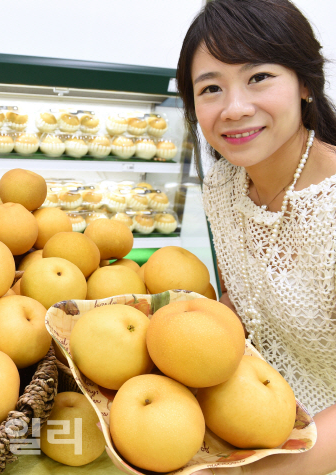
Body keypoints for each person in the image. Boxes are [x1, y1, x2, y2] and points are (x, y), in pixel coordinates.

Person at [175, 0, 336, 473]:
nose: (235, 108)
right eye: (210, 89)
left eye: (259, 77)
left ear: (305, 83)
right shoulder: (223, 187)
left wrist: (256, 471)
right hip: (245, 424)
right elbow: (242, 304)